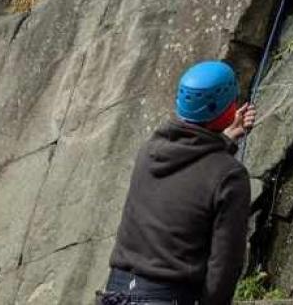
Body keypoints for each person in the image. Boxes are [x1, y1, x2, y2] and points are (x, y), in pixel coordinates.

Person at [98, 60, 256, 305]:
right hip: (167, 297)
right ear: (229, 109)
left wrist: (224, 141)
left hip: (115, 295)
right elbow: (224, 267)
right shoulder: (230, 176)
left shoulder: (149, 152)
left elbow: (191, 170)